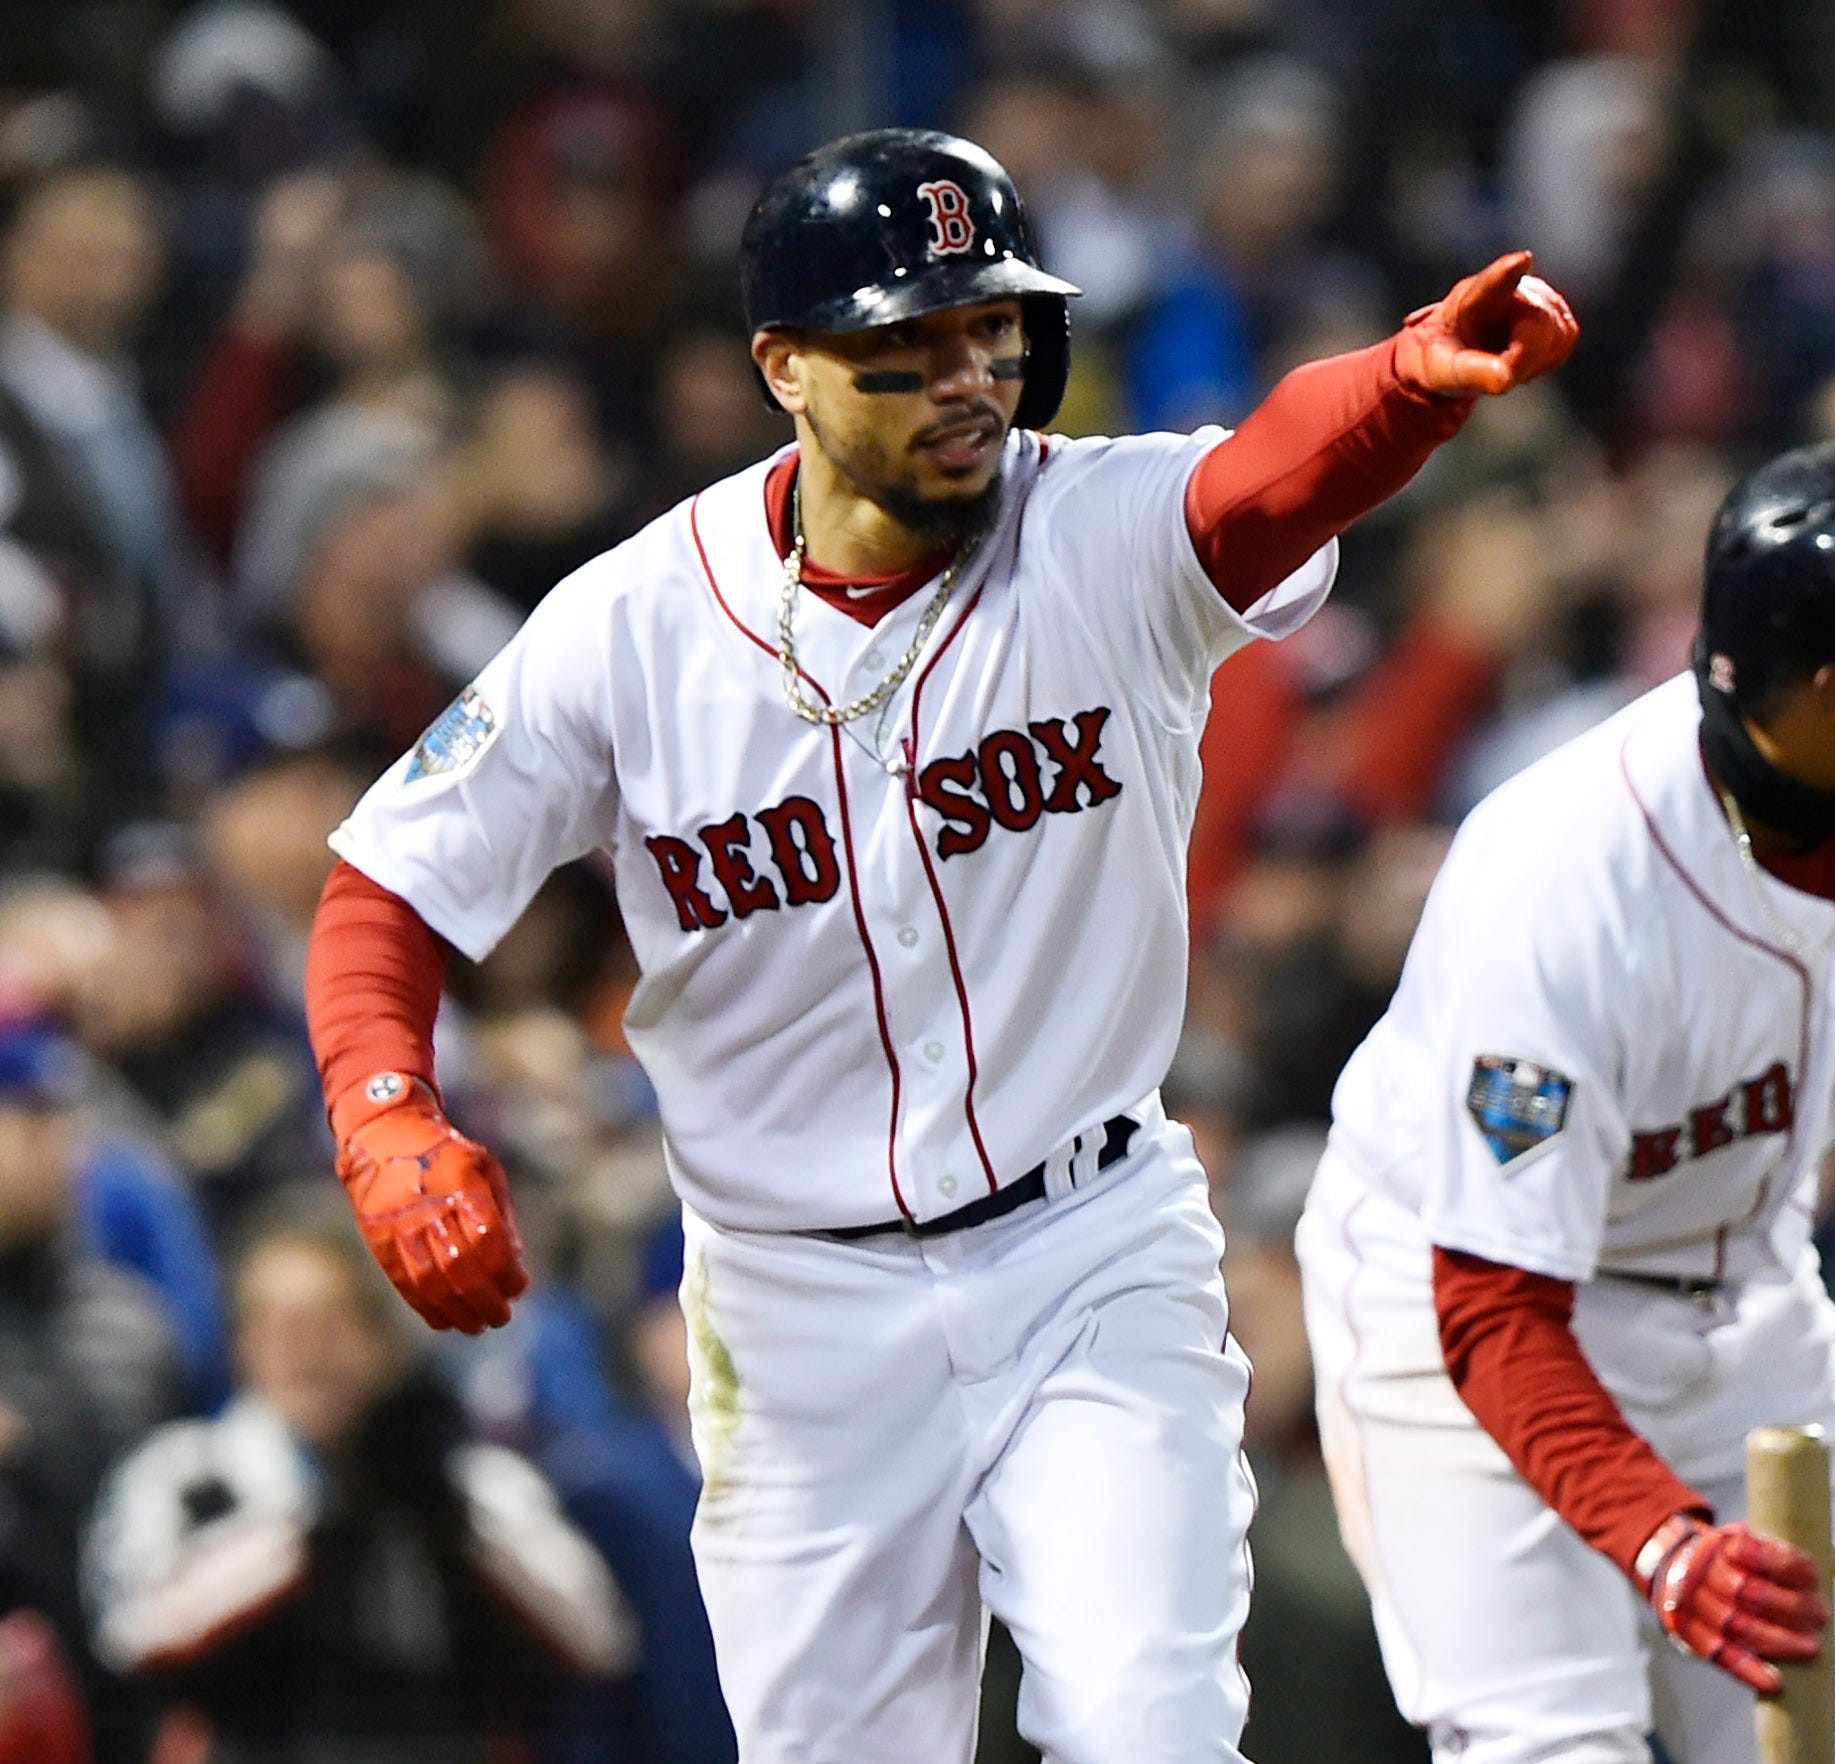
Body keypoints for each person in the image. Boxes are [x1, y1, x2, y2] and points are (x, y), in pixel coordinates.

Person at [302, 127, 1577, 1764]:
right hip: (794, 1300)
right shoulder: (628, 627)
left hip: (1088, 1246)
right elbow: (386, 888)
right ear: (782, 366)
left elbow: (1264, 475)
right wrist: (384, 1107)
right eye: (902, 346)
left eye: (985, 331)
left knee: (1147, 1725)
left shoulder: (1101, 536)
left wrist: (1410, 381)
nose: (964, 376)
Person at [1296, 438, 1835, 1763]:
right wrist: (1660, 1539)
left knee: (1834, 1747)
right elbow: (1492, 1309)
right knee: (1555, 1746)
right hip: (1459, 1312)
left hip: (1738, 1285)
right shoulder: (1564, 883)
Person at [82, 1204, 632, 1764]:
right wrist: (321, 1525)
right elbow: (133, 1633)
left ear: (384, 1340)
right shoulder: (186, 1471)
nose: (304, 1349)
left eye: (330, 1321)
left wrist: (450, 1519)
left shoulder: (471, 1479)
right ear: (241, 1342)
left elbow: (597, 1637)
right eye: (276, 1323)